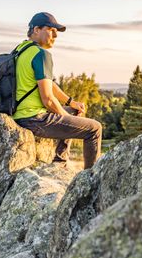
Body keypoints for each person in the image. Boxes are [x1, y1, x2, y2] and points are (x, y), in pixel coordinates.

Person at [12, 12, 102, 169]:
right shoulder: (41, 55)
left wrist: (71, 103)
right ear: (36, 30)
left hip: (18, 114)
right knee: (94, 129)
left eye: (56, 31)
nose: (55, 35)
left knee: (74, 111)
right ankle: (92, 178)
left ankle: (60, 161)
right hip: (34, 119)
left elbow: (49, 84)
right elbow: (48, 99)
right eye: (51, 29)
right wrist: (65, 116)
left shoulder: (21, 50)